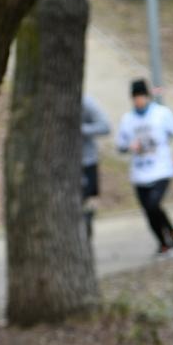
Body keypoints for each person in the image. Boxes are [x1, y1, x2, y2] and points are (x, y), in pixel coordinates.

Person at [116, 78, 173, 256]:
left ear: (147, 96)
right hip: (139, 172)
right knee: (148, 212)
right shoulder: (127, 119)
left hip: (161, 169)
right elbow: (120, 145)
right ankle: (164, 243)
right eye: (135, 97)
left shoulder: (161, 114)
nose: (139, 101)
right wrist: (129, 147)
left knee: (153, 205)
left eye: (141, 96)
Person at [81, 94, 110, 241]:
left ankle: (86, 233)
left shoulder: (86, 103)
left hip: (87, 161)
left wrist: (81, 129)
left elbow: (105, 126)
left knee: (87, 201)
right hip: (61, 166)